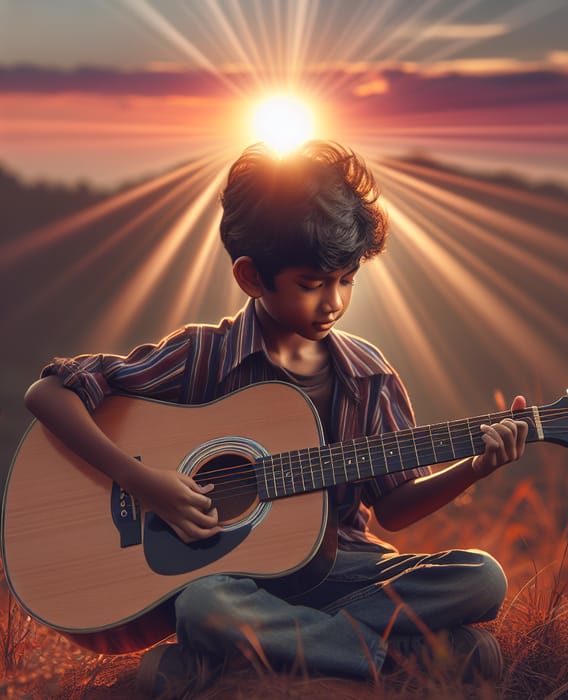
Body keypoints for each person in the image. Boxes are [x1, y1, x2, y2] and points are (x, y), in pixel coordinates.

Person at [24, 140, 528, 697]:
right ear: (250, 277)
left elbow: (393, 509)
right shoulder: (203, 355)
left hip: (342, 574)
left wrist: (475, 467)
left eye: (347, 279)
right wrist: (144, 483)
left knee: (481, 577)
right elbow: (50, 394)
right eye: (312, 285)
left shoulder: (369, 375)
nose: (333, 302)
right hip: (233, 584)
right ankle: (386, 657)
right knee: (203, 602)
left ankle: (224, 665)